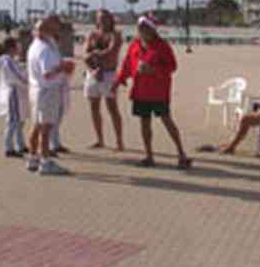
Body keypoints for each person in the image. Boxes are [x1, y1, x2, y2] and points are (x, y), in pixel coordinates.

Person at [114, 15, 190, 169]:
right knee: (144, 123)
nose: (141, 31)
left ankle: (182, 154)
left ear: (152, 30)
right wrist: (119, 80)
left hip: (158, 91)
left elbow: (172, 66)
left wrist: (153, 70)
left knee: (167, 121)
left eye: (144, 28)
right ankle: (149, 156)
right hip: (140, 91)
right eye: (140, 28)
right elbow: (127, 65)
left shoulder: (162, 46)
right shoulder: (135, 45)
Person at [26, 16, 76, 176]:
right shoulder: (44, 49)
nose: (58, 29)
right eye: (55, 26)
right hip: (47, 90)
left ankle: (33, 158)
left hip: (37, 90)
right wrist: (63, 67)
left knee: (37, 125)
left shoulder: (37, 45)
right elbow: (47, 73)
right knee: (46, 128)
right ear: (48, 29)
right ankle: (46, 162)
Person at [82, 9, 125, 151]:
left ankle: (119, 141)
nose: (102, 21)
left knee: (112, 108)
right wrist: (93, 70)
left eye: (105, 18)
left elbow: (111, 52)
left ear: (110, 19)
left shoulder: (115, 35)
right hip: (93, 74)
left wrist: (95, 54)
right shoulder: (92, 35)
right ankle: (99, 139)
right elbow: (85, 54)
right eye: (100, 18)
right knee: (94, 107)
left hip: (109, 74)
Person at [0, 37, 29, 158]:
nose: (19, 48)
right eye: (17, 46)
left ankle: (20, 144)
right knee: (13, 121)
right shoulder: (7, 60)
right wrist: (28, 80)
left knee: (20, 120)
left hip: (18, 91)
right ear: (11, 48)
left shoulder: (11, 60)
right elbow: (16, 76)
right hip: (14, 92)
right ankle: (8, 147)